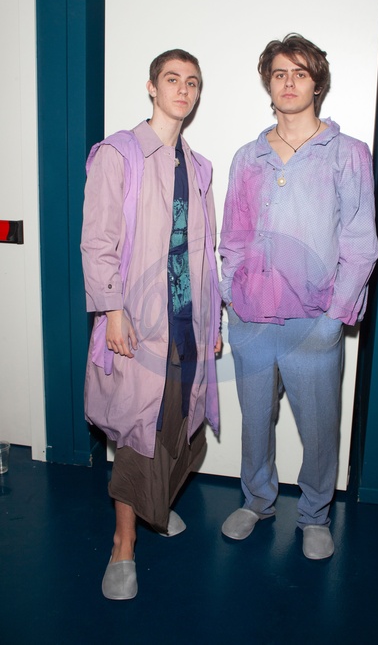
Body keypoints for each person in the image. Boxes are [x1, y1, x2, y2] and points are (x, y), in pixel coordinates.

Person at [219, 34, 378, 559]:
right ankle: (256, 501)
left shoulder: (347, 154)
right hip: (252, 319)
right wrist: (232, 295)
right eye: (280, 73)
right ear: (269, 83)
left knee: (319, 428)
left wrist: (335, 316)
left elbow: (360, 242)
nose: (289, 82)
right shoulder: (248, 157)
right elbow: (233, 237)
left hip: (314, 320)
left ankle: (314, 515)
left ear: (317, 84)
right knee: (254, 422)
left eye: (300, 73)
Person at [81, 48, 221, 600]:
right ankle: (124, 543)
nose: (183, 90)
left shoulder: (200, 167)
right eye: (172, 79)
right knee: (139, 431)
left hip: (190, 322)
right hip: (138, 322)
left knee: (181, 428)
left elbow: (205, 255)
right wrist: (112, 310)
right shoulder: (119, 155)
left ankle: (155, 506)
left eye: (192, 82)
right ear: (151, 87)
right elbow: (98, 242)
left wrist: (212, 320)